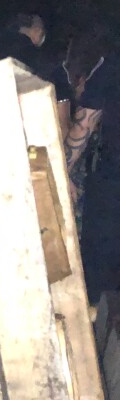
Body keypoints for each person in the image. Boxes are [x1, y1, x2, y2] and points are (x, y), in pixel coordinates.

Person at [64, 46, 120, 304]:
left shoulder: (112, 62)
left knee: (99, 271)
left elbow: (85, 121)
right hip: (111, 182)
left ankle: (95, 336)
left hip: (112, 184)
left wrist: (63, 170)